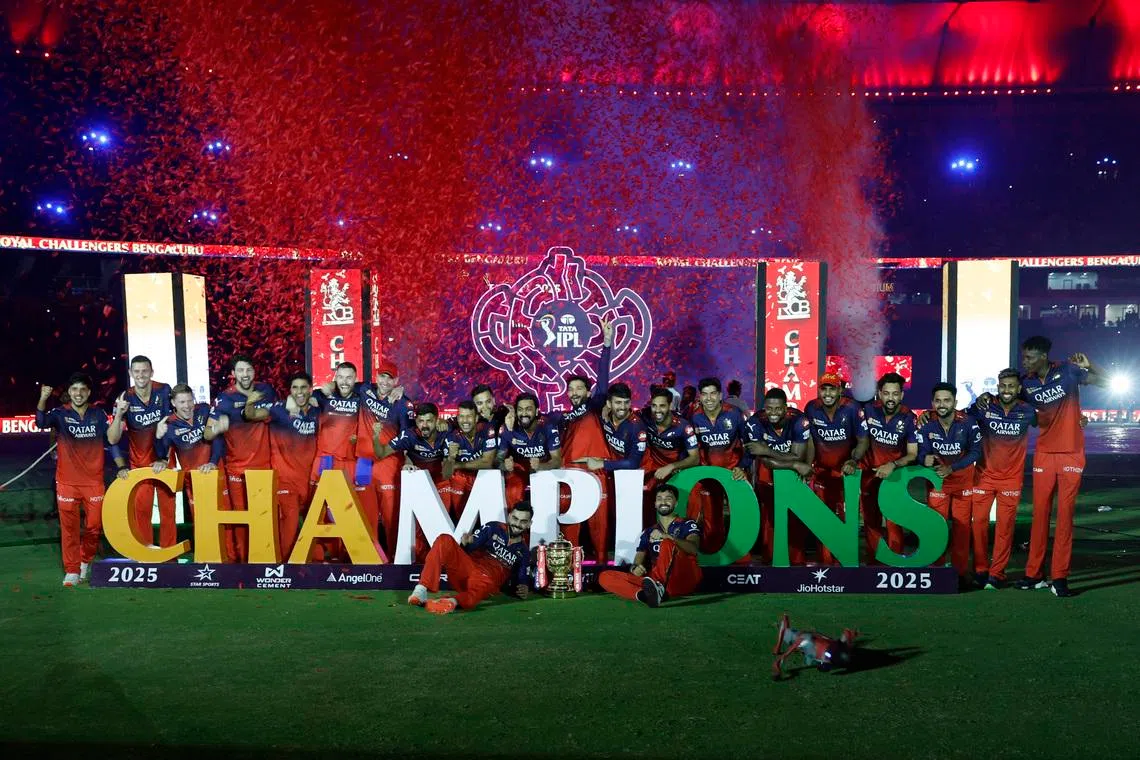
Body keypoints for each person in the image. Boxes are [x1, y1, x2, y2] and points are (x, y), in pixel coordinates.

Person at [1012, 336, 1106, 596]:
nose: (1026, 361)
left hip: (1072, 454)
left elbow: (1106, 383)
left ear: (1043, 356)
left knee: (1065, 517)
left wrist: (1093, 365)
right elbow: (1004, 401)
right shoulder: (1025, 383)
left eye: (1030, 357)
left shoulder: (1068, 371)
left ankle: (1060, 578)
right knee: (1039, 515)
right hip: (1043, 454)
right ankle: (1034, 575)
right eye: (1024, 357)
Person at [37, 374, 128, 586]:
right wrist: (43, 398)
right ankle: (71, 570)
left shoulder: (98, 414)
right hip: (67, 482)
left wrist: (119, 416)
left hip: (94, 482)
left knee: (94, 527)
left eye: (82, 389)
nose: (78, 393)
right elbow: (40, 422)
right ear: (69, 393)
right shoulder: (60, 414)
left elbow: (113, 440)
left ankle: (85, 560)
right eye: (74, 389)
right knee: (69, 529)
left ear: (88, 392)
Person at [546, 319, 613, 560]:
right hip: (569, 474)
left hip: (596, 472)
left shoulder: (594, 406)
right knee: (569, 526)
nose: (574, 393)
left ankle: (603, 566)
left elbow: (603, 382)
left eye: (579, 388)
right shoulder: (559, 418)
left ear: (587, 391)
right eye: (570, 389)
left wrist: (607, 345)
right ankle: (568, 568)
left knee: (600, 527)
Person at [205, 354, 277, 562]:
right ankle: (243, 561)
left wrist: (251, 404)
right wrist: (217, 427)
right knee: (240, 516)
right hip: (236, 466)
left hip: (264, 465)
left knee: (265, 515)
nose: (245, 375)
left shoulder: (266, 391)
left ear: (254, 372)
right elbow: (207, 434)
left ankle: (265, 560)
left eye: (249, 370)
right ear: (232, 374)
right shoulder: (223, 398)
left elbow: (258, 415)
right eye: (240, 371)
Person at [970, 368, 1036, 589]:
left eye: (1011, 386)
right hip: (983, 476)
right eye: (1003, 385)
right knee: (978, 524)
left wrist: (1080, 418)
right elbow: (957, 417)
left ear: (1018, 389)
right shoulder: (985, 406)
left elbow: (1053, 419)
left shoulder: (1028, 411)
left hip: (1011, 479)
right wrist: (927, 415)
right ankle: (980, 569)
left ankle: (997, 573)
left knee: (1004, 528)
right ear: (997, 387)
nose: (1006, 390)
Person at [242, 372, 319, 560]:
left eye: (303, 388)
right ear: (289, 391)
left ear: (310, 389)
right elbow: (251, 415)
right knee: (290, 523)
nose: (299, 392)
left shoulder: (318, 409)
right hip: (285, 480)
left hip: (312, 480)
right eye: (295, 388)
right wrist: (250, 402)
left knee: (315, 524)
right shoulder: (279, 409)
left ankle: (313, 564)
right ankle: (284, 567)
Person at [407, 501, 534, 614]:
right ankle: (421, 590)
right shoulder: (493, 528)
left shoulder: (524, 552)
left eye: (523, 521)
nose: (517, 524)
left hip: (486, 582)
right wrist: (465, 543)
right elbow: (468, 549)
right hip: (468, 570)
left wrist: (523, 588)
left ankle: (452, 602)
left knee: (483, 585)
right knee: (444, 539)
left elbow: (522, 579)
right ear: (509, 516)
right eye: (515, 518)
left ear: (529, 524)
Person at [916, 383, 982, 589]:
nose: (942, 405)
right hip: (938, 484)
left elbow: (976, 452)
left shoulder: (969, 423)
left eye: (946, 400)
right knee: (936, 528)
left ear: (955, 402)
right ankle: (935, 572)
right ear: (932, 403)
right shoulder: (926, 425)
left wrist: (952, 468)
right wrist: (923, 459)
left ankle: (960, 574)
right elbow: (921, 453)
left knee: (962, 531)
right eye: (938, 400)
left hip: (963, 483)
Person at [598, 484, 701, 607]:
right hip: (658, 581)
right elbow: (638, 559)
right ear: (655, 504)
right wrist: (635, 568)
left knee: (667, 544)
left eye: (668, 498)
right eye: (659, 498)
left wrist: (667, 537)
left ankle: (658, 588)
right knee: (605, 577)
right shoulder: (648, 531)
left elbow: (694, 548)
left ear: (676, 503)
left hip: (683, 578)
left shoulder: (687, 523)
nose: (663, 501)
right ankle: (645, 595)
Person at [804, 374, 868, 564]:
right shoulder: (811, 408)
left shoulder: (853, 408)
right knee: (824, 518)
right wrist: (809, 465)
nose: (828, 393)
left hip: (847, 475)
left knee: (847, 519)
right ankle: (826, 562)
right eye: (824, 389)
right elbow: (810, 440)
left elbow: (863, 440)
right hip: (822, 474)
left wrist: (853, 460)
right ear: (819, 391)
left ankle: (846, 561)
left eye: (832, 388)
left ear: (840, 390)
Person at [111, 356, 175, 547]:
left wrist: (164, 458)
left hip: (165, 462)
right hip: (139, 464)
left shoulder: (164, 390)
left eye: (144, 371)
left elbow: (171, 425)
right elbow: (112, 439)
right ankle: (146, 557)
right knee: (142, 512)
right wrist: (119, 415)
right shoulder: (124, 398)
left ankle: (169, 558)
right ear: (131, 373)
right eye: (136, 371)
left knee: (168, 512)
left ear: (151, 372)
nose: (141, 375)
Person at [373, 402, 450, 560]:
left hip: (441, 482)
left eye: (429, 421)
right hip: (419, 484)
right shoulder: (409, 435)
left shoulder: (447, 433)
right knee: (416, 527)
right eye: (421, 421)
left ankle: (442, 558)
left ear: (437, 420)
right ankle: (422, 560)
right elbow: (381, 454)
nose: (425, 425)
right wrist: (375, 436)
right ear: (416, 422)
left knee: (441, 523)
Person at [744, 388, 813, 564]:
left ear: (785, 408)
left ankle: (797, 561)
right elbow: (767, 462)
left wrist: (770, 451)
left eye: (777, 409)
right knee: (770, 518)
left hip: (793, 476)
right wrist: (796, 464)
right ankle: (771, 560)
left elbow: (799, 455)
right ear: (764, 408)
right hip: (768, 475)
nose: (773, 413)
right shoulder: (755, 422)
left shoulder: (799, 420)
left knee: (795, 517)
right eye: (769, 409)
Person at [356, 360, 415, 560]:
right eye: (382, 376)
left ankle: (395, 559)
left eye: (390, 378)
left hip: (388, 463)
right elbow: (342, 385)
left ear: (396, 381)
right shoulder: (364, 390)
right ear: (376, 376)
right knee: (366, 514)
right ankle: (369, 559)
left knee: (391, 517)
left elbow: (409, 434)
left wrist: (396, 454)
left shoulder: (403, 403)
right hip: (363, 462)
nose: (384, 381)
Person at [859, 372, 918, 559]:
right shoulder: (868, 410)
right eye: (886, 393)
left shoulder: (909, 418)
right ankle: (874, 562)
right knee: (871, 520)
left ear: (901, 395)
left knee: (894, 520)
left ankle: (895, 563)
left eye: (895, 394)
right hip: (869, 475)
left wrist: (892, 465)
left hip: (894, 478)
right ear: (879, 393)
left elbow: (912, 454)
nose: (890, 398)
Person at [690, 377, 751, 552]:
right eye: (705, 394)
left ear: (720, 395)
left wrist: (743, 467)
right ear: (700, 397)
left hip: (734, 474)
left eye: (713, 394)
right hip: (708, 476)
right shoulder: (694, 416)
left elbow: (749, 446)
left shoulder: (734, 414)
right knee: (712, 521)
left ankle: (741, 559)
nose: (709, 399)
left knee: (740, 517)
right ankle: (713, 558)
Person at [153, 383, 225, 521]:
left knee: (225, 522)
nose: (187, 406)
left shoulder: (204, 410)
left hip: (216, 472)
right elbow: (162, 455)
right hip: (193, 481)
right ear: (173, 403)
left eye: (189, 400)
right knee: (202, 524)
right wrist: (158, 436)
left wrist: (212, 462)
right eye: (182, 402)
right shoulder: (168, 424)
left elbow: (217, 438)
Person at [640, 387, 699, 522]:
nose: (657, 410)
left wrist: (671, 467)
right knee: (645, 500)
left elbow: (695, 458)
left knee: (692, 497)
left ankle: (687, 532)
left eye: (662, 406)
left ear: (670, 406)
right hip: (652, 468)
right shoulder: (644, 416)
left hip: (676, 470)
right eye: (654, 405)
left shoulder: (684, 426)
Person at [498, 392, 562, 508]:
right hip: (519, 470)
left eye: (528, 409)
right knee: (513, 489)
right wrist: (504, 465)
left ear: (537, 411)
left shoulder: (548, 427)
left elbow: (557, 460)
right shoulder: (507, 428)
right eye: (520, 409)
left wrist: (541, 466)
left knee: (549, 496)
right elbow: (497, 460)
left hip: (544, 469)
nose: (524, 413)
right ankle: (515, 522)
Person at [441, 400, 499, 516]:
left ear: (476, 418)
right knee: (462, 516)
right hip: (461, 480)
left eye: (469, 416)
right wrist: (451, 458)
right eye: (461, 416)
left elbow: (488, 463)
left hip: (483, 478)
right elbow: (446, 474)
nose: (465, 421)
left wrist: (458, 465)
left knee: (488, 515)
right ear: (457, 418)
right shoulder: (451, 437)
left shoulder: (487, 430)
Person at [576, 383, 647, 475]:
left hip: (635, 473)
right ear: (609, 403)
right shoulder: (603, 415)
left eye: (626, 402)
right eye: (618, 402)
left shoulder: (637, 427)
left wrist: (602, 464)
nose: (623, 407)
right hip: (611, 467)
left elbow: (633, 463)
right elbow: (586, 405)